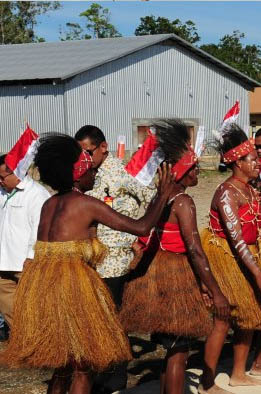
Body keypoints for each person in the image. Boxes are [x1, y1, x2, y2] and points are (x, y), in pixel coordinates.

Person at [0, 134, 175, 394]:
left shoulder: (49, 204)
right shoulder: (84, 204)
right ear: (78, 171)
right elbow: (141, 226)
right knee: (83, 366)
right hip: (74, 292)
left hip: (46, 290)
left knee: (62, 366)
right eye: (89, 166)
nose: (93, 170)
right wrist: (163, 195)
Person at [119, 120, 230, 394]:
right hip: (175, 278)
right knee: (179, 351)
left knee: (172, 349)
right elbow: (194, 250)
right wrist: (215, 290)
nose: (197, 172)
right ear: (180, 171)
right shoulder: (183, 201)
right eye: (192, 167)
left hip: (157, 277)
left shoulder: (160, 196)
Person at [200, 124, 261, 387]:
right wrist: (258, 274)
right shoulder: (227, 193)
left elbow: (256, 232)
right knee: (222, 320)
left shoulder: (250, 189)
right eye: (252, 160)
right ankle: (206, 381)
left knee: (250, 316)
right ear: (237, 163)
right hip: (227, 258)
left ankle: (238, 374)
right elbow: (236, 240)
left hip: (249, 256)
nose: (258, 163)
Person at [75, 124, 155, 394]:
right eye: (81, 154)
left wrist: (138, 240)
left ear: (104, 147)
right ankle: (101, 373)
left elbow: (152, 199)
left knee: (112, 320)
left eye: (88, 151)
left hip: (116, 262)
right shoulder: (88, 176)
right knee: (96, 320)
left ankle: (115, 378)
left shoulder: (121, 173)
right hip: (91, 261)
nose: (85, 158)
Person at [0, 152, 50, 335]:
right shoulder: (2, 193)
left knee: (35, 304)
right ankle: (22, 338)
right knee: (8, 305)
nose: (0, 181)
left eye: (2, 177)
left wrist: (31, 257)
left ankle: (40, 339)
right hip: (3, 261)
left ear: (18, 172)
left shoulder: (37, 194)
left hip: (25, 263)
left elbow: (39, 229)